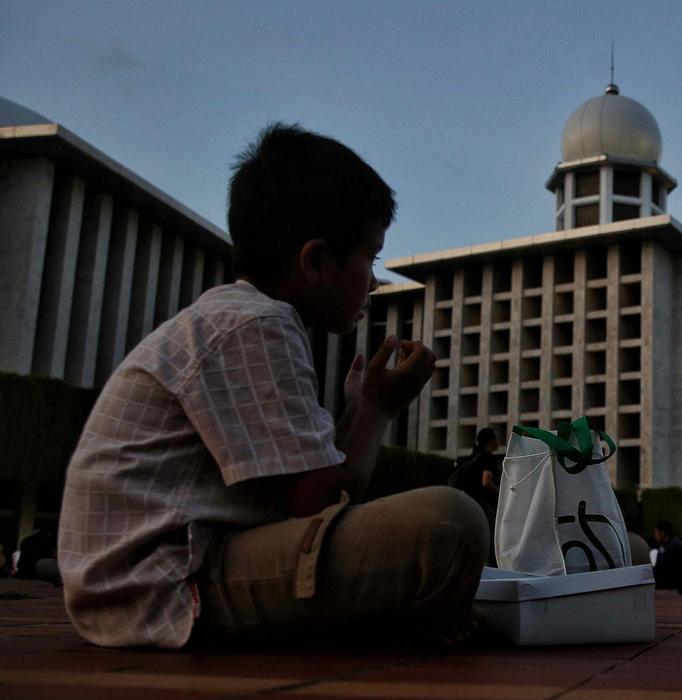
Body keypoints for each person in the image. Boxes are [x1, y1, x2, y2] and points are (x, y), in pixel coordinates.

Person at [57, 124, 488, 649]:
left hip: (168, 571)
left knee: (435, 531)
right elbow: (319, 504)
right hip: (159, 586)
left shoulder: (244, 319)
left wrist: (367, 408)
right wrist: (373, 410)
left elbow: (323, 499)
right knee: (449, 526)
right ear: (315, 261)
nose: (374, 282)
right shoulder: (257, 325)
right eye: (370, 259)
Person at [452, 428, 502, 564]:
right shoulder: (489, 458)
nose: (498, 441)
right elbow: (486, 481)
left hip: (464, 506)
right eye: (496, 438)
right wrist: (499, 491)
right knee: (492, 541)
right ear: (490, 441)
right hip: (483, 507)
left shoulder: (469, 457)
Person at [652, 520, 682, 592]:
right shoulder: (671, 544)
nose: (655, 537)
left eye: (656, 533)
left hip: (681, 582)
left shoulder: (672, 546)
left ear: (662, 533)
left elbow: (663, 569)